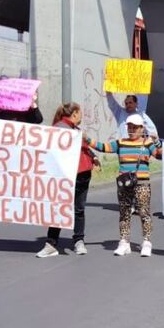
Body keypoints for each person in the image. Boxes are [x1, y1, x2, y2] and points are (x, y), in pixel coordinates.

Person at [88, 114, 163, 257]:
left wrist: (157, 143)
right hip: (124, 184)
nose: (132, 129)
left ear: (142, 128)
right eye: (130, 127)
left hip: (142, 183)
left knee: (144, 213)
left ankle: (146, 242)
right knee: (124, 213)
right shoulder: (121, 142)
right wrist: (87, 140)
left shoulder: (147, 143)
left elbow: (159, 155)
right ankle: (124, 242)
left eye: (135, 127)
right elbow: (104, 147)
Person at [36, 103, 98, 258]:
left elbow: (84, 147)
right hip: (71, 174)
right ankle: (73, 242)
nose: (81, 115)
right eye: (80, 112)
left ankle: (55, 243)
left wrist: (93, 156)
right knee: (74, 209)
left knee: (66, 208)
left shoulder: (72, 130)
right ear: (75, 113)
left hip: (79, 174)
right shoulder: (62, 129)